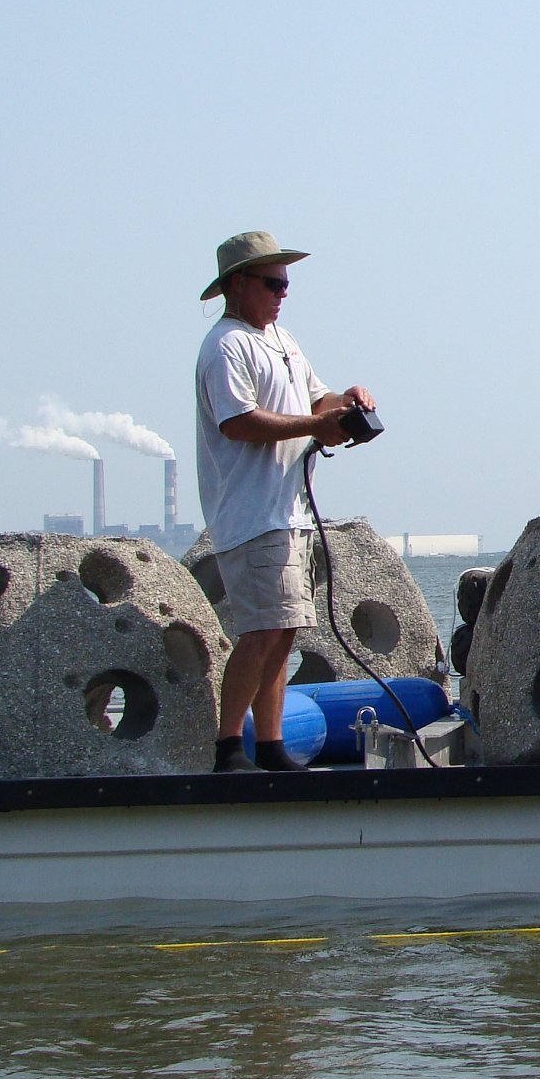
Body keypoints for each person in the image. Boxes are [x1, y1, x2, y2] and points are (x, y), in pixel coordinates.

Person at [195, 231, 375, 773]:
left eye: (286, 283)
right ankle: (229, 747)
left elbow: (316, 398)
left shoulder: (284, 340)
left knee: (285, 628)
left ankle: (270, 745)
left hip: (288, 511)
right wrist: (318, 425)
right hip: (252, 516)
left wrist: (346, 402)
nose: (283, 293)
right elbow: (240, 421)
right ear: (237, 286)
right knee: (262, 628)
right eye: (273, 283)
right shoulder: (225, 345)